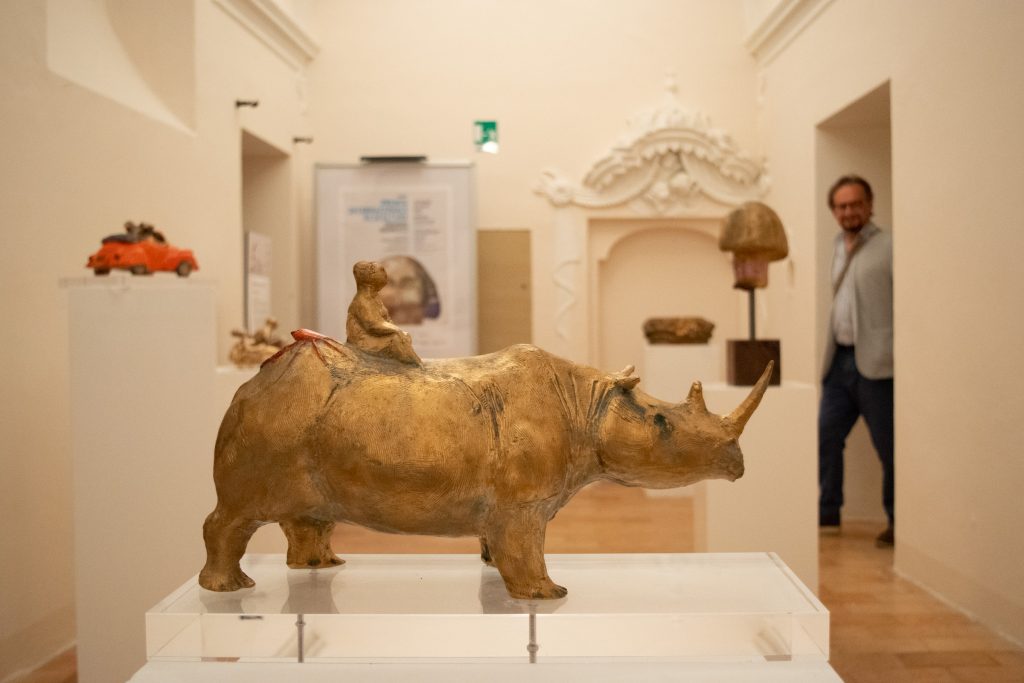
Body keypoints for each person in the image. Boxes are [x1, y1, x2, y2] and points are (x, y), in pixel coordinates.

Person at [818, 175, 894, 547]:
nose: (848, 212)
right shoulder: (837, 245)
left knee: (888, 446)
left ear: (869, 205)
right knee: (826, 435)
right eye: (841, 206)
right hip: (839, 360)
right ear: (834, 211)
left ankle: (898, 520)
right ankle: (828, 511)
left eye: (855, 204)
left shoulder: (889, 246)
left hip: (876, 364)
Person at [346, 260, 422, 366]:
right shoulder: (362, 301)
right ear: (370, 278)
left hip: (375, 335)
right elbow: (372, 325)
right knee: (396, 339)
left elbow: (386, 319)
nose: (385, 275)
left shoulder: (374, 298)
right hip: (363, 340)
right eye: (381, 271)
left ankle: (413, 364)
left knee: (402, 337)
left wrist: (396, 330)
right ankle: (414, 365)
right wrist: (396, 330)